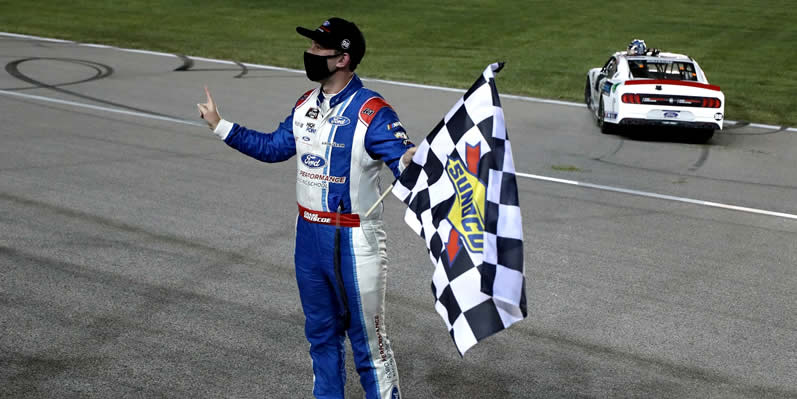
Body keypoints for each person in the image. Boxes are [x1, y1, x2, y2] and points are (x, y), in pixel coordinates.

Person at [197, 17, 415, 399]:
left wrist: (410, 158)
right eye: (311, 47)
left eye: (318, 48)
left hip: (354, 240)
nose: (310, 54)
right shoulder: (306, 104)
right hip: (308, 237)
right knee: (320, 337)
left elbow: (403, 163)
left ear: (343, 59)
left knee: (370, 348)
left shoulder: (373, 111)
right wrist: (220, 125)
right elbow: (274, 147)